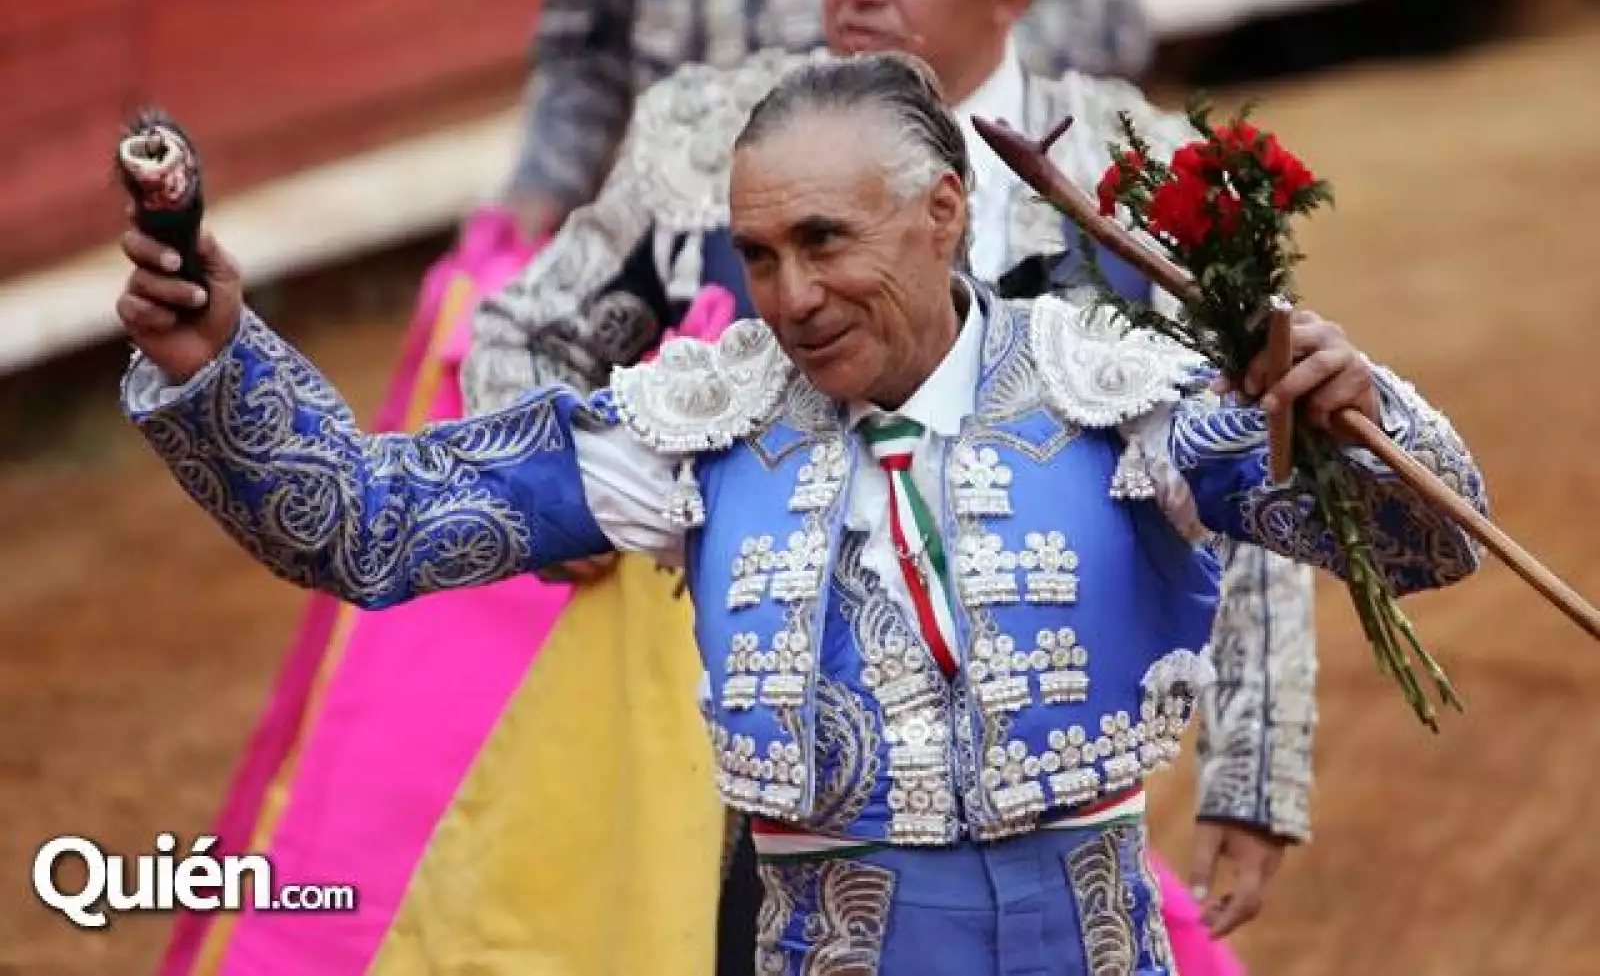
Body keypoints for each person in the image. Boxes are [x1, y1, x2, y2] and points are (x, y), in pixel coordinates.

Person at [114, 51, 1487, 974]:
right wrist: (216, 367)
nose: (788, 296)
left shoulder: (1112, 391)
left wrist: (1356, 417)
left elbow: (1427, 542)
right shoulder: (696, 423)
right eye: (760, 253)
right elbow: (371, 521)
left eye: (826, 241)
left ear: (944, 212)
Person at [466, 0, 1314, 953]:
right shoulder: (713, 149)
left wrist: (1252, 769)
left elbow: (1252, 468)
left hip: (1061, 786)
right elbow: (523, 333)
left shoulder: (1137, 176)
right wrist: (583, 506)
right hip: (785, 780)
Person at [504, 0, 1156, 241]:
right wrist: (539, 191)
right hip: (698, 202)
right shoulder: (682, 148)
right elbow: (583, 54)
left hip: (958, 172)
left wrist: (926, 100)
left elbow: (1105, 12)